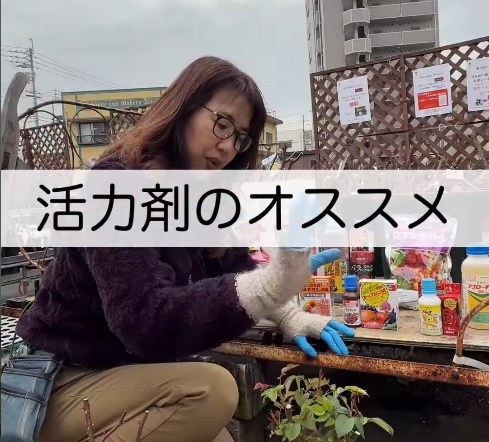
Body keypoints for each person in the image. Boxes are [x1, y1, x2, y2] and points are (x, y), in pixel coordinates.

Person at [15, 56, 354, 442]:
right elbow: (142, 321)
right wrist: (271, 285)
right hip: (59, 379)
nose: (228, 147)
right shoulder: (116, 184)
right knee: (211, 391)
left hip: (122, 374)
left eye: (241, 138)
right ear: (183, 109)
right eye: (222, 124)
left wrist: (289, 314)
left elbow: (236, 271)